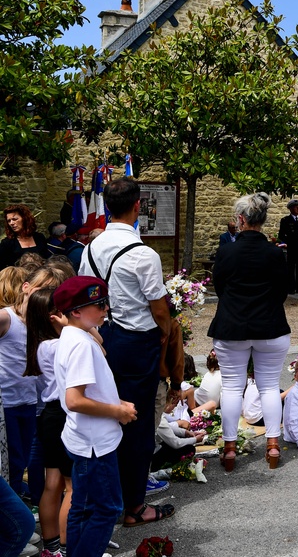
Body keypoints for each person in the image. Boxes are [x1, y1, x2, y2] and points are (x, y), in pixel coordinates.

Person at [77, 177, 175, 527]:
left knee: (106, 413)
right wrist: (165, 336)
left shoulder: (90, 249)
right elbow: (159, 309)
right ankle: (133, 505)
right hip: (136, 342)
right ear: (137, 207)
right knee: (135, 421)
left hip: (102, 337)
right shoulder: (142, 253)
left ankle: (106, 494)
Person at [53, 275, 138, 556]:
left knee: (84, 506)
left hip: (87, 437)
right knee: (106, 508)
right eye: (98, 304)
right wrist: (117, 410)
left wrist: (115, 402)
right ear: (76, 311)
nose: (105, 309)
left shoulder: (74, 335)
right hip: (94, 443)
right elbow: (74, 400)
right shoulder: (80, 344)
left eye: (105, 302)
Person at [209, 192, 291, 471]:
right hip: (270, 325)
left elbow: (219, 287)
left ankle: (230, 448)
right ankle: (273, 444)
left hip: (233, 325)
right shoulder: (274, 252)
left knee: (232, 387)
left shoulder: (227, 250)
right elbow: (283, 290)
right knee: (268, 386)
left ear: (241, 219)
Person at [0, 265, 66, 500]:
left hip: (29, 402)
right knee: (10, 462)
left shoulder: (46, 323)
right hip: (6, 403)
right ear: (26, 287)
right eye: (42, 288)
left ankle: (20, 517)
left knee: (21, 461)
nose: (45, 294)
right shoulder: (7, 317)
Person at [24, 287, 73, 557]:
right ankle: (67, 545)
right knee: (72, 485)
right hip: (64, 414)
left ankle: (51, 543)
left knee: (51, 481)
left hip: (49, 415)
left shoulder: (40, 344)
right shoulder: (60, 343)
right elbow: (99, 347)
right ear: (52, 316)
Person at [1, 204, 50, 270]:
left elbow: (47, 260)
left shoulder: (39, 237)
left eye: (15, 219)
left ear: (25, 219)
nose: (11, 223)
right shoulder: (7, 243)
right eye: (9, 221)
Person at [278, 199, 298, 294]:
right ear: (291, 209)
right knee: (291, 268)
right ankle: (290, 288)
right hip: (292, 248)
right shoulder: (285, 220)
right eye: (296, 207)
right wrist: (289, 242)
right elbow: (281, 235)